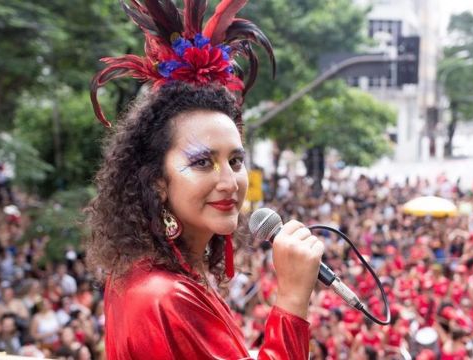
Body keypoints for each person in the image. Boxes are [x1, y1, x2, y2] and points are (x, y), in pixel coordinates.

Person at [85, 1, 324, 359]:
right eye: (202, 162)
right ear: (157, 181)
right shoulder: (164, 297)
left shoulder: (164, 276)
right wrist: (291, 298)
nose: (229, 181)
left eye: (236, 160)